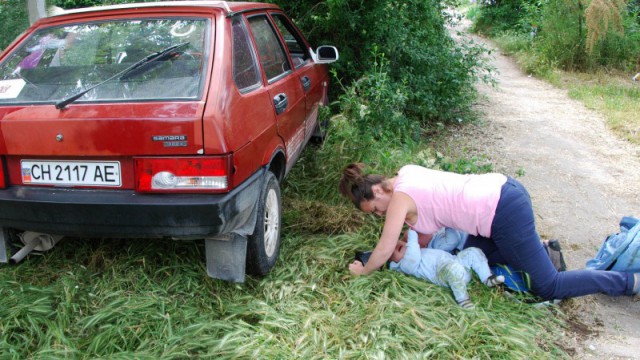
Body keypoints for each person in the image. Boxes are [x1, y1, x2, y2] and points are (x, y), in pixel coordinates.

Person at [339, 163, 640, 301]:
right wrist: (409, 248)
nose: (381, 215)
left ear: (379, 189)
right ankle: (544, 250)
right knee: (478, 252)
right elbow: (428, 230)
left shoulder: (399, 200)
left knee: (547, 287)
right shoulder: (407, 173)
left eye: (377, 209)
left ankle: (629, 282)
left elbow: (384, 244)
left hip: (502, 211)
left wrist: (364, 271)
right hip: (503, 191)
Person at [390, 230, 504, 308]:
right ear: (393, 262)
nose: (394, 247)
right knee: (453, 268)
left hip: (457, 262)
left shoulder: (428, 249)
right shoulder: (405, 265)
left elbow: (451, 240)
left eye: (398, 243)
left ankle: (487, 278)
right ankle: (463, 299)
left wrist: (448, 222)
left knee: (473, 251)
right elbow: (412, 256)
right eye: (391, 252)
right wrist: (412, 233)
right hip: (443, 273)